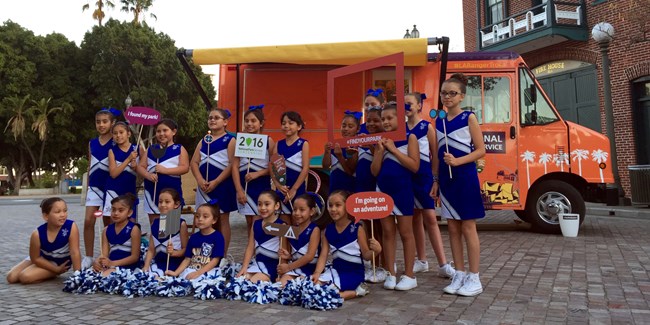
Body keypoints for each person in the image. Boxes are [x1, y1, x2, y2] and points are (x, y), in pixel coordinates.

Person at [434, 73, 486, 296]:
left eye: (452, 93)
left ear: (462, 96)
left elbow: (481, 150)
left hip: (465, 177)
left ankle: (474, 277)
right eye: (444, 93)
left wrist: (457, 161)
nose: (447, 97)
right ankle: (460, 274)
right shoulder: (438, 121)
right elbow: (436, 156)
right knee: (453, 228)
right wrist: (435, 180)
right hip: (446, 180)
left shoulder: (468, 118)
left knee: (467, 226)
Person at [405, 93, 455, 278]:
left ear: (419, 106)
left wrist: (435, 179)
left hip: (425, 177)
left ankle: (442, 264)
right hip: (407, 177)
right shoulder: (400, 128)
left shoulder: (427, 128)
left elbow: (436, 156)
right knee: (414, 218)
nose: (406, 107)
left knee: (431, 218)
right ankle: (422, 260)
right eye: (403, 104)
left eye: (409, 104)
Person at [371, 102, 419, 291]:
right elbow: (374, 171)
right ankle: (390, 273)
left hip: (403, 190)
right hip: (382, 190)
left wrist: (394, 149)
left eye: (390, 118)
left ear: (402, 118)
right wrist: (380, 152)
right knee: (387, 233)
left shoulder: (410, 137)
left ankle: (409, 275)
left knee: (406, 233)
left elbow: (414, 166)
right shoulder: (380, 141)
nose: (385, 122)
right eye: (383, 119)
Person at [312, 190, 382, 300]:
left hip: (353, 273)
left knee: (329, 294)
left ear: (347, 206)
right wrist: (317, 273)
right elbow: (324, 255)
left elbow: (366, 255)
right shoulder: (327, 230)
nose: (333, 209)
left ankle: (356, 292)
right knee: (313, 288)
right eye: (330, 205)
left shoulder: (357, 229)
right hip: (335, 271)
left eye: (338, 205)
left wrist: (376, 251)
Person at [191, 108, 236, 256]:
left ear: (225, 122)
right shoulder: (204, 140)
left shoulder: (230, 140)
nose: (212, 120)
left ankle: (221, 255)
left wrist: (216, 182)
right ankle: (204, 254)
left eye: (216, 117)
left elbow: (231, 164)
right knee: (203, 218)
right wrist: (200, 180)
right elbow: (194, 162)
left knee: (222, 220)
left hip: (222, 186)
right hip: (203, 187)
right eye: (210, 117)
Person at [350, 105, 388, 283]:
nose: (372, 124)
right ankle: (369, 263)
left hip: (376, 188)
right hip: (360, 186)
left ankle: (382, 265)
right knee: (364, 226)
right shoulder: (362, 137)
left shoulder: (384, 140)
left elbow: (378, 162)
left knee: (379, 229)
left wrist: (371, 145)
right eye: (369, 120)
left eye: (376, 120)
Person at [7, 198, 81, 284]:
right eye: (58, 212)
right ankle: (43, 270)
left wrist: (78, 275)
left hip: (57, 263)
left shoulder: (71, 227)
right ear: (46, 216)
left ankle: (48, 273)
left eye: (65, 211)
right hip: (41, 258)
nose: (63, 215)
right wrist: (56, 270)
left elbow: (74, 252)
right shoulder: (37, 234)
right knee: (11, 277)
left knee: (24, 277)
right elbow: (35, 258)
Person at [137, 118, 190, 226]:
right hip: (152, 192)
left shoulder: (179, 148)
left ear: (173, 132)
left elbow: (185, 168)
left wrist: (165, 170)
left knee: (170, 228)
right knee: (155, 226)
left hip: (172, 193)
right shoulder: (151, 149)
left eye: (165, 130)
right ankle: (157, 243)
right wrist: (148, 175)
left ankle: (170, 243)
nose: (161, 134)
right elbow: (141, 167)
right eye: (158, 131)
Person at [232, 105, 274, 232]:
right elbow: (235, 166)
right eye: (247, 121)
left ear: (261, 123)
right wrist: (239, 190)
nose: (249, 124)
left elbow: (275, 167)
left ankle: (255, 249)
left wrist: (258, 173)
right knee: (249, 223)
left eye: (253, 121)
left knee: (258, 221)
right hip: (245, 187)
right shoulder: (240, 141)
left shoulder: (268, 141)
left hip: (261, 186)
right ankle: (252, 249)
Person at [83, 108, 116, 268]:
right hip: (94, 187)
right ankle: (89, 256)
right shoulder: (92, 143)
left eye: (105, 121)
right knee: (88, 220)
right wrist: (88, 186)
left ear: (112, 123)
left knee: (107, 222)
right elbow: (90, 165)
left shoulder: (116, 141)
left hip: (110, 187)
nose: (101, 125)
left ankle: (105, 255)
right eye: (98, 122)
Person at [165, 201, 224, 280]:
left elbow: (215, 260)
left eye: (205, 216)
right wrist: (176, 273)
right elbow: (187, 259)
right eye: (197, 216)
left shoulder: (218, 237)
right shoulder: (193, 237)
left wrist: (198, 273)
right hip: (192, 269)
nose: (200, 219)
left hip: (209, 270)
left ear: (214, 220)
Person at [237, 190, 285, 283]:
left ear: (276, 206)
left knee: (253, 283)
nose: (262, 208)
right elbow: (250, 247)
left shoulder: (281, 225)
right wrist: (244, 267)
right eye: (259, 204)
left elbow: (284, 250)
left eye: (267, 204)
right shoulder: (256, 223)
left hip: (271, 266)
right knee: (240, 281)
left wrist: (281, 274)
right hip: (257, 264)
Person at [271, 111, 309, 222]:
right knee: (284, 223)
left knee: (298, 220)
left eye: (290, 123)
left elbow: (305, 168)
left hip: (297, 189)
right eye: (283, 123)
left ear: (299, 126)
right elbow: (273, 168)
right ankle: (284, 240)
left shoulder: (303, 144)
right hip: (282, 190)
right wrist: (277, 185)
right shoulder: (278, 144)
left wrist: (294, 189)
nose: (286, 126)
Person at [142, 188, 189, 276]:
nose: (163, 204)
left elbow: (185, 249)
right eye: (160, 202)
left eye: (167, 202)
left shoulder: (181, 224)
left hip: (174, 265)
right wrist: (146, 266)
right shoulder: (155, 223)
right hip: (158, 263)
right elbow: (151, 250)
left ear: (176, 204)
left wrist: (174, 253)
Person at [103, 121, 144, 223]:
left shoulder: (138, 149)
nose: (118, 135)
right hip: (113, 190)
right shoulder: (112, 151)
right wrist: (128, 159)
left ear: (128, 133)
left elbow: (143, 173)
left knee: (131, 222)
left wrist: (136, 167)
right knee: (113, 222)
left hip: (129, 191)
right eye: (115, 133)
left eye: (121, 132)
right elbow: (113, 174)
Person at [277, 193, 321, 286]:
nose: (297, 213)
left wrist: (288, 267)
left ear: (312, 211)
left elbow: (309, 256)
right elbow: (298, 252)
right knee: (280, 286)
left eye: (302, 210)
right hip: (295, 268)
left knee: (298, 288)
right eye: (295, 209)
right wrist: (289, 256)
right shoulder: (292, 229)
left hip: (309, 270)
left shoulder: (314, 229)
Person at [93, 193, 141, 276]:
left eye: (120, 210)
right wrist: (98, 261)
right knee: (92, 273)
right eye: (113, 209)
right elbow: (104, 254)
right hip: (111, 265)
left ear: (129, 213)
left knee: (105, 276)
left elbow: (135, 257)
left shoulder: (134, 229)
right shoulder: (106, 230)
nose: (116, 213)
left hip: (128, 267)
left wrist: (113, 263)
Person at [322, 111, 359, 194]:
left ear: (358, 129)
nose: (346, 129)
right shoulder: (335, 144)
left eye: (350, 126)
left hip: (350, 187)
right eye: (343, 125)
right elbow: (325, 166)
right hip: (334, 186)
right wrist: (327, 152)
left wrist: (340, 156)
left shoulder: (357, 146)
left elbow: (351, 171)